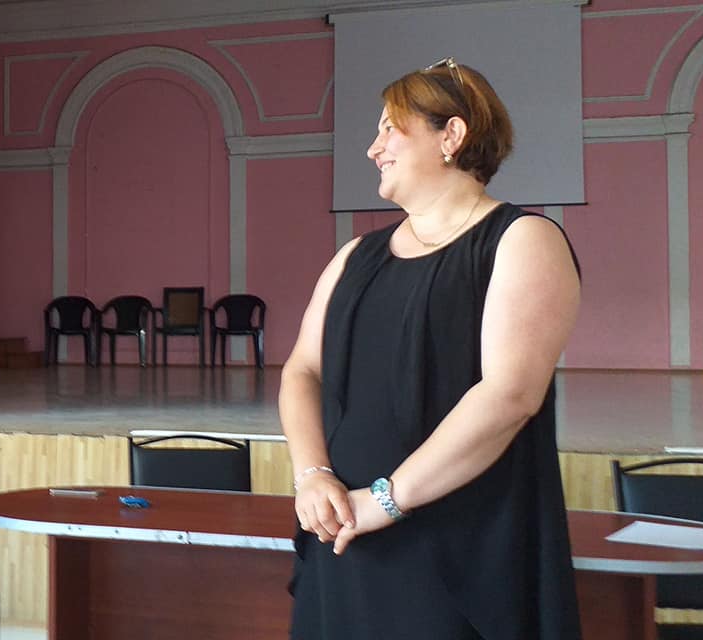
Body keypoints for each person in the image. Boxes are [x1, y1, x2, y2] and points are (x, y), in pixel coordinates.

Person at [279, 58, 582, 639]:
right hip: (342, 532)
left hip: (458, 552)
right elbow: (302, 371)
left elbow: (509, 395)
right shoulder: (354, 257)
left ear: (452, 135)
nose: (373, 149)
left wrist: (385, 501)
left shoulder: (522, 239)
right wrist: (312, 475)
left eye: (390, 129)